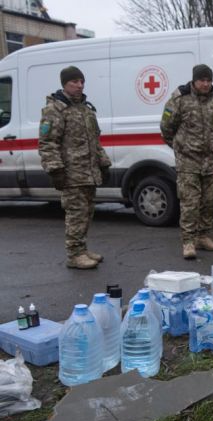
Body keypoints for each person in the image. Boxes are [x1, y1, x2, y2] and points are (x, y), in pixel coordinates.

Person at [38, 66, 112, 270]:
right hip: (71, 173)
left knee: (87, 213)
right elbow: (47, 143)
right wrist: (55, 170)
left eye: (82, 81)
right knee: (75, 214)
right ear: (64, 84)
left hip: (89, 172)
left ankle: (82, 249)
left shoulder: (85, 109)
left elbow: (95, 142)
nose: (79, 85)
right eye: (74, 82)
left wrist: (104, 164)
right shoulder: (55, 109)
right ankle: (74, 255)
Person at [160, 64, 213, 259]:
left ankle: (203, 236)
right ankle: (188, 241)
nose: (206, 84)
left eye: (209, 80)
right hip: (188, 162)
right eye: (202, 80)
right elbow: (166, 127)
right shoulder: (179, 99)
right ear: (194, 80)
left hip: (211, 162)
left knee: (208, 202)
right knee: (190, 203)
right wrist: (180, 148)